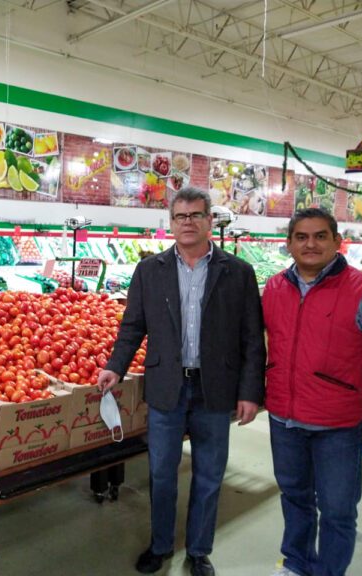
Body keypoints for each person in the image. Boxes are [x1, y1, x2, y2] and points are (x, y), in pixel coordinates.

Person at [97, 187, 265, 576]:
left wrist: (250, 392)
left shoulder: (238, 272)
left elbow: (252, 339)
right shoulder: (149, 270)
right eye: (180, 216)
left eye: (196, 215)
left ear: (210, 221)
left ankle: (199, 550)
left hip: (215, 388)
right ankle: (160, 546)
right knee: (161, 473)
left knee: (209, 473)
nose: (188, 222)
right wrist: (115, 367)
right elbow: (132, 326)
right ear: (170, 223)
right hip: (166, 386)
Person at [262, 208, 362, 576]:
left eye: (320, 236)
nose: (310, 244)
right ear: (289, 244)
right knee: (295, 498)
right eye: (301, 237)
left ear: (337, 242)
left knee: (337, 509)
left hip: (337, 425)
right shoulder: (274, 288)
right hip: (284, 419)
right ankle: (296, 563)